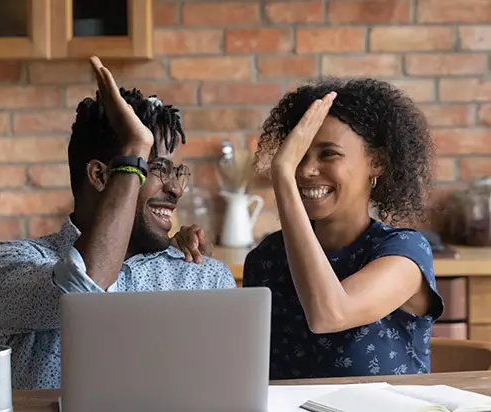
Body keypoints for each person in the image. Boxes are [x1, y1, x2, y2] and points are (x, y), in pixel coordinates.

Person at [0, 57, 236, 390]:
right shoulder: (8, 265)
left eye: (175, 171)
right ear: (101, 176)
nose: (176, 189)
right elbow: (85, 287)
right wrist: (134, 150)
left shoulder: (204, 276)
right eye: (155, 169)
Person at [179, 78, 445, 380]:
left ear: (377, 162)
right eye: (298, 156)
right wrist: (198, 265)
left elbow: (330, 314)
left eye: (328, 154)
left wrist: (281, 174)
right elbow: (234, 361)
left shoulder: (404, 255)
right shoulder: (268, 257)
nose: (306, 170)